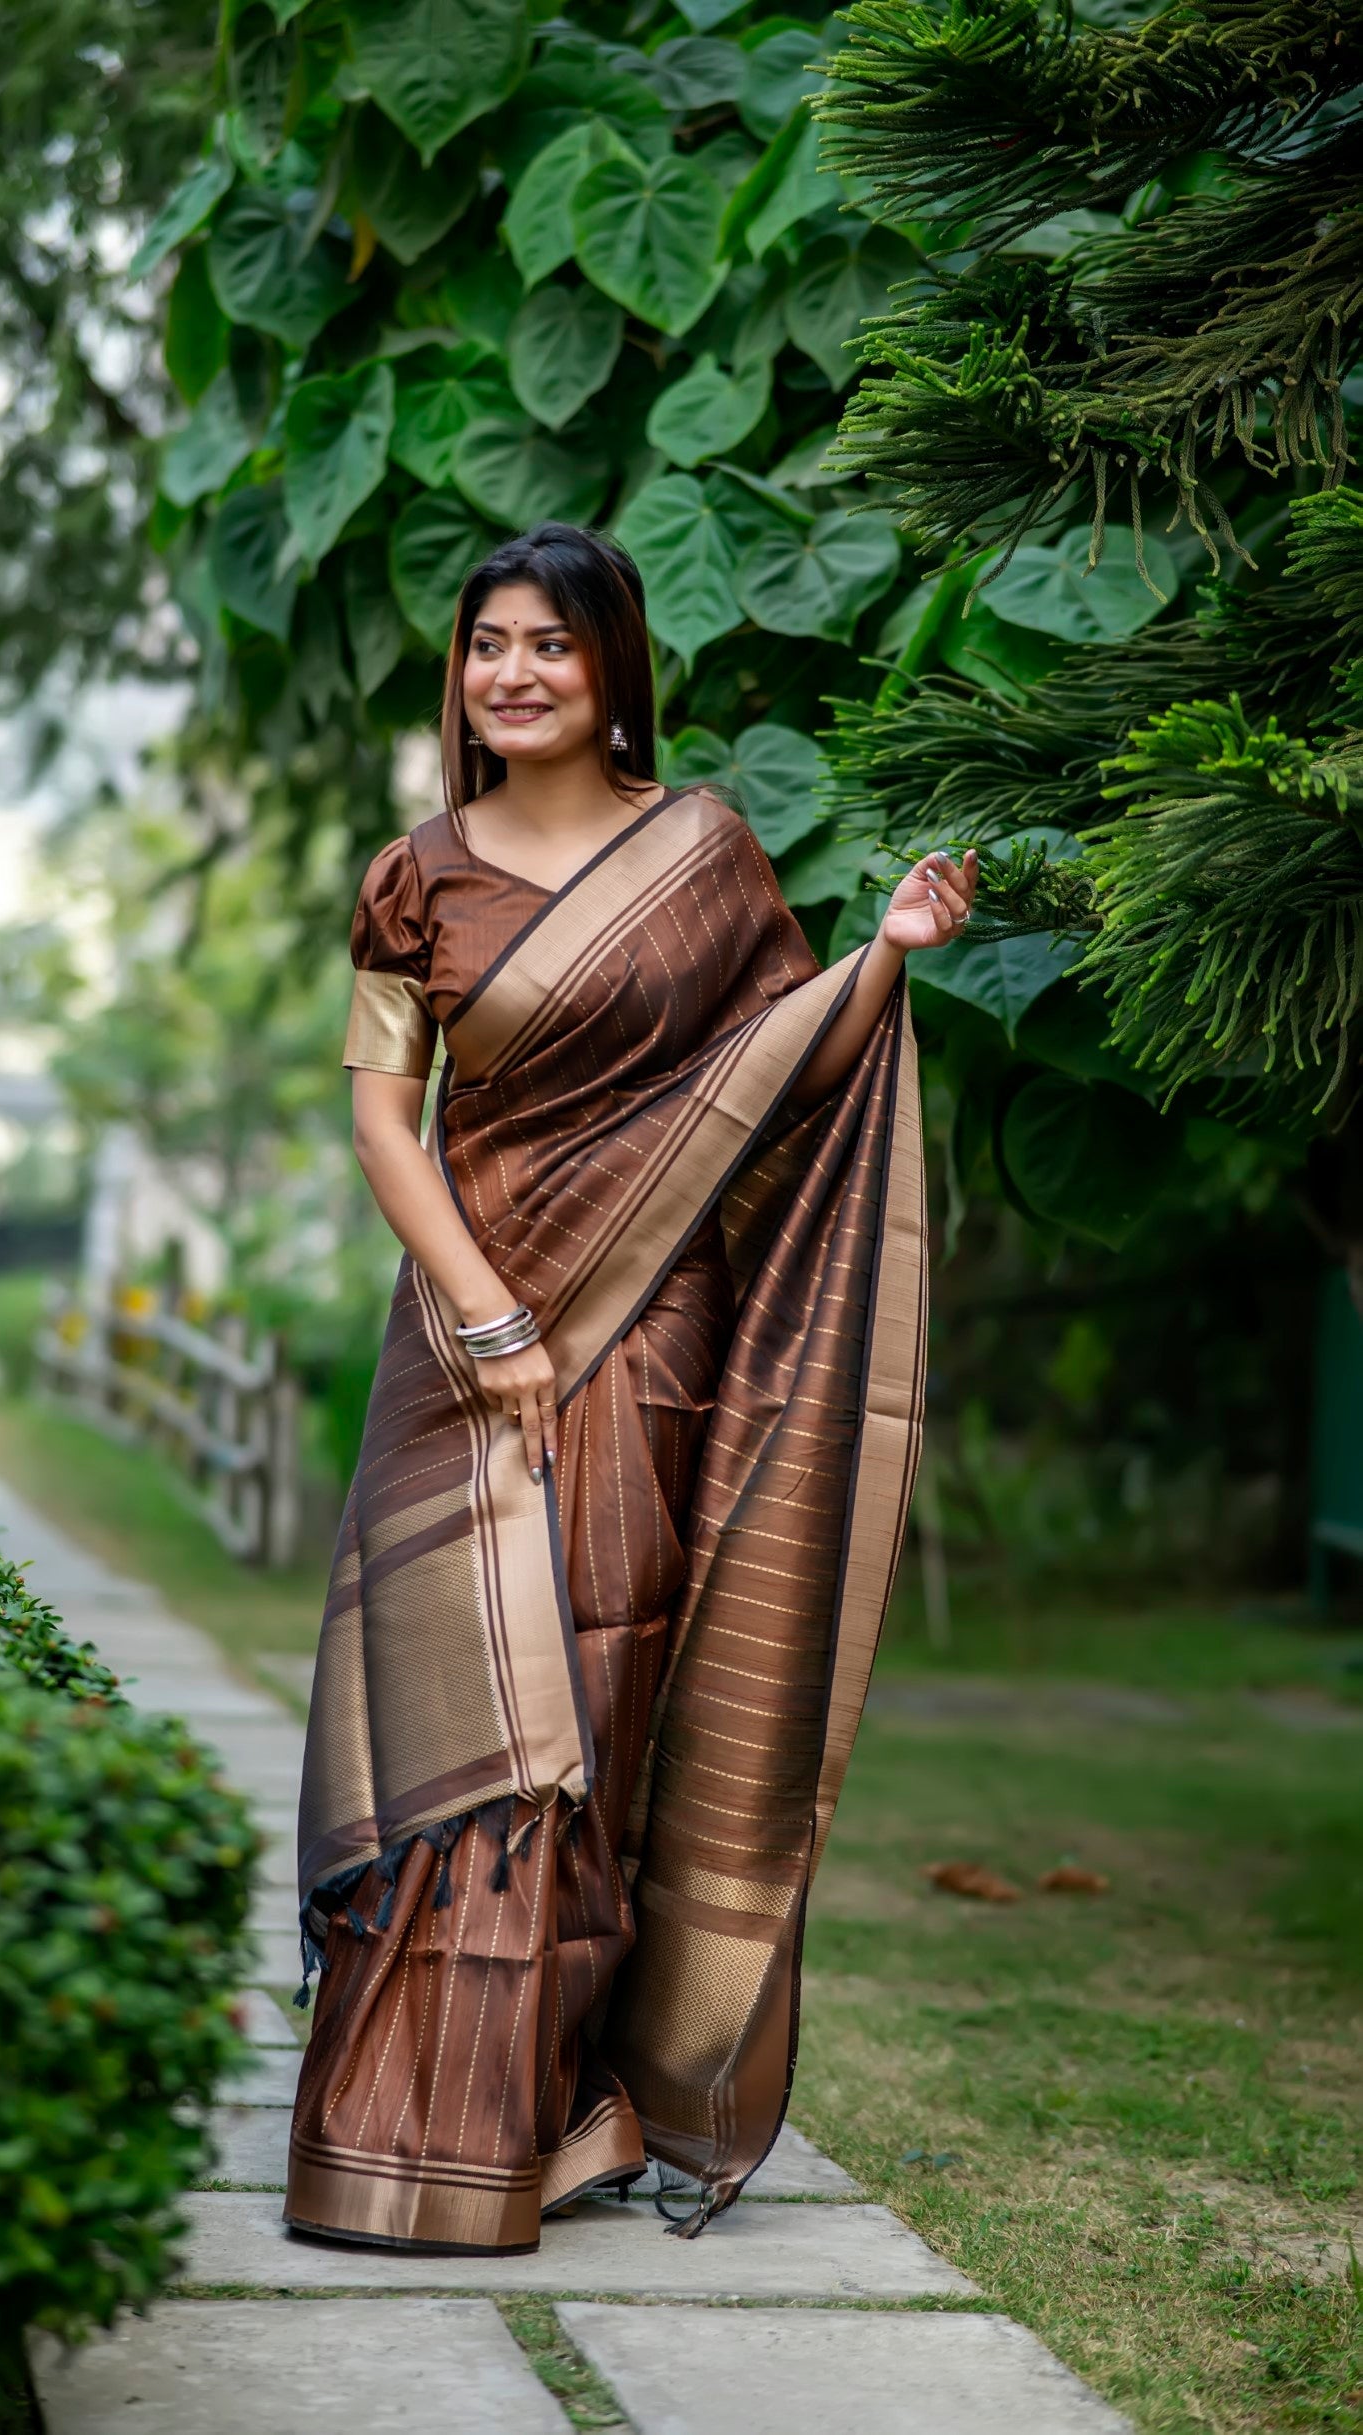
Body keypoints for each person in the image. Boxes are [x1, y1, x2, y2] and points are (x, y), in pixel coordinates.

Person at [285, 521, 978, 2256]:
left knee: (590, 1703)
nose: (511, 674)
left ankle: (561, 2112)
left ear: (612, 673)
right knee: (451, 1708)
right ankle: (399, 2128)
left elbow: (778, 1070)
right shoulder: (412, 874)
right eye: (486, 646)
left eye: (551, 647)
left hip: (645, 1342)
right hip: (462, 1341)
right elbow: (385, 1116)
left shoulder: (704, 855)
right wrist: (491, 1318)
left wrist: (885, 950)